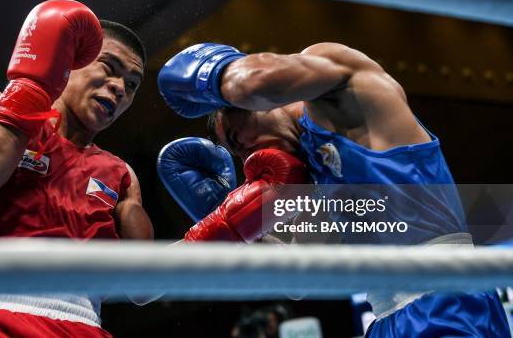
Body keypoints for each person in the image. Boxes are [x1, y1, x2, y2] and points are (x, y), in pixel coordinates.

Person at [157, 43, 510, 336]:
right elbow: (301, 279)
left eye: (238, 139)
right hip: (389, 317)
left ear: (255, 107)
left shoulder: (342, 92)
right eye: (239, 155)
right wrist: (231, 218)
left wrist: (210, 74)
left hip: (445, 300)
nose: (250, 157)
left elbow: (256, 82)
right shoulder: (314, 176)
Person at [0, 0, 152, 337]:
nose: (119, 87)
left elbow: (143, 287)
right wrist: (32, 90)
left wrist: (222, 227)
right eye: (109, 67)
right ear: (71, 61)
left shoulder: (121, 174)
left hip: (87, 326)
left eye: (132, 84)